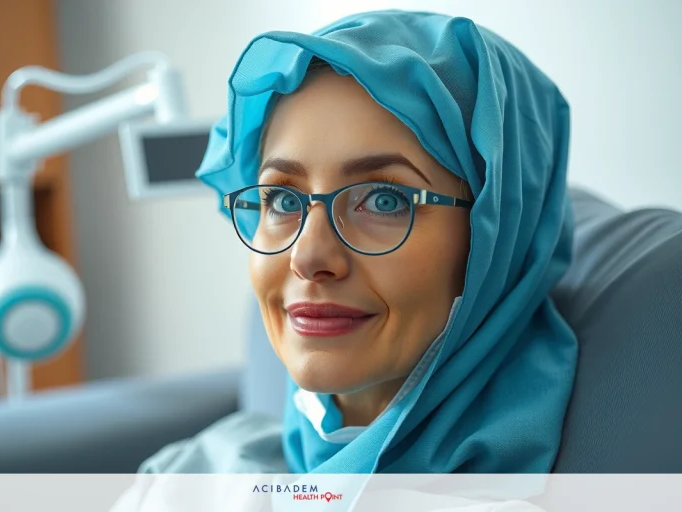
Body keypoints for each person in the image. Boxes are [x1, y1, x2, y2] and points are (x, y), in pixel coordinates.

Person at [139, 8, 578, 476]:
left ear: (497, 240)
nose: (308, 257)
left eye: (385, 201)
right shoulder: (195, 473)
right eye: (282, 201)